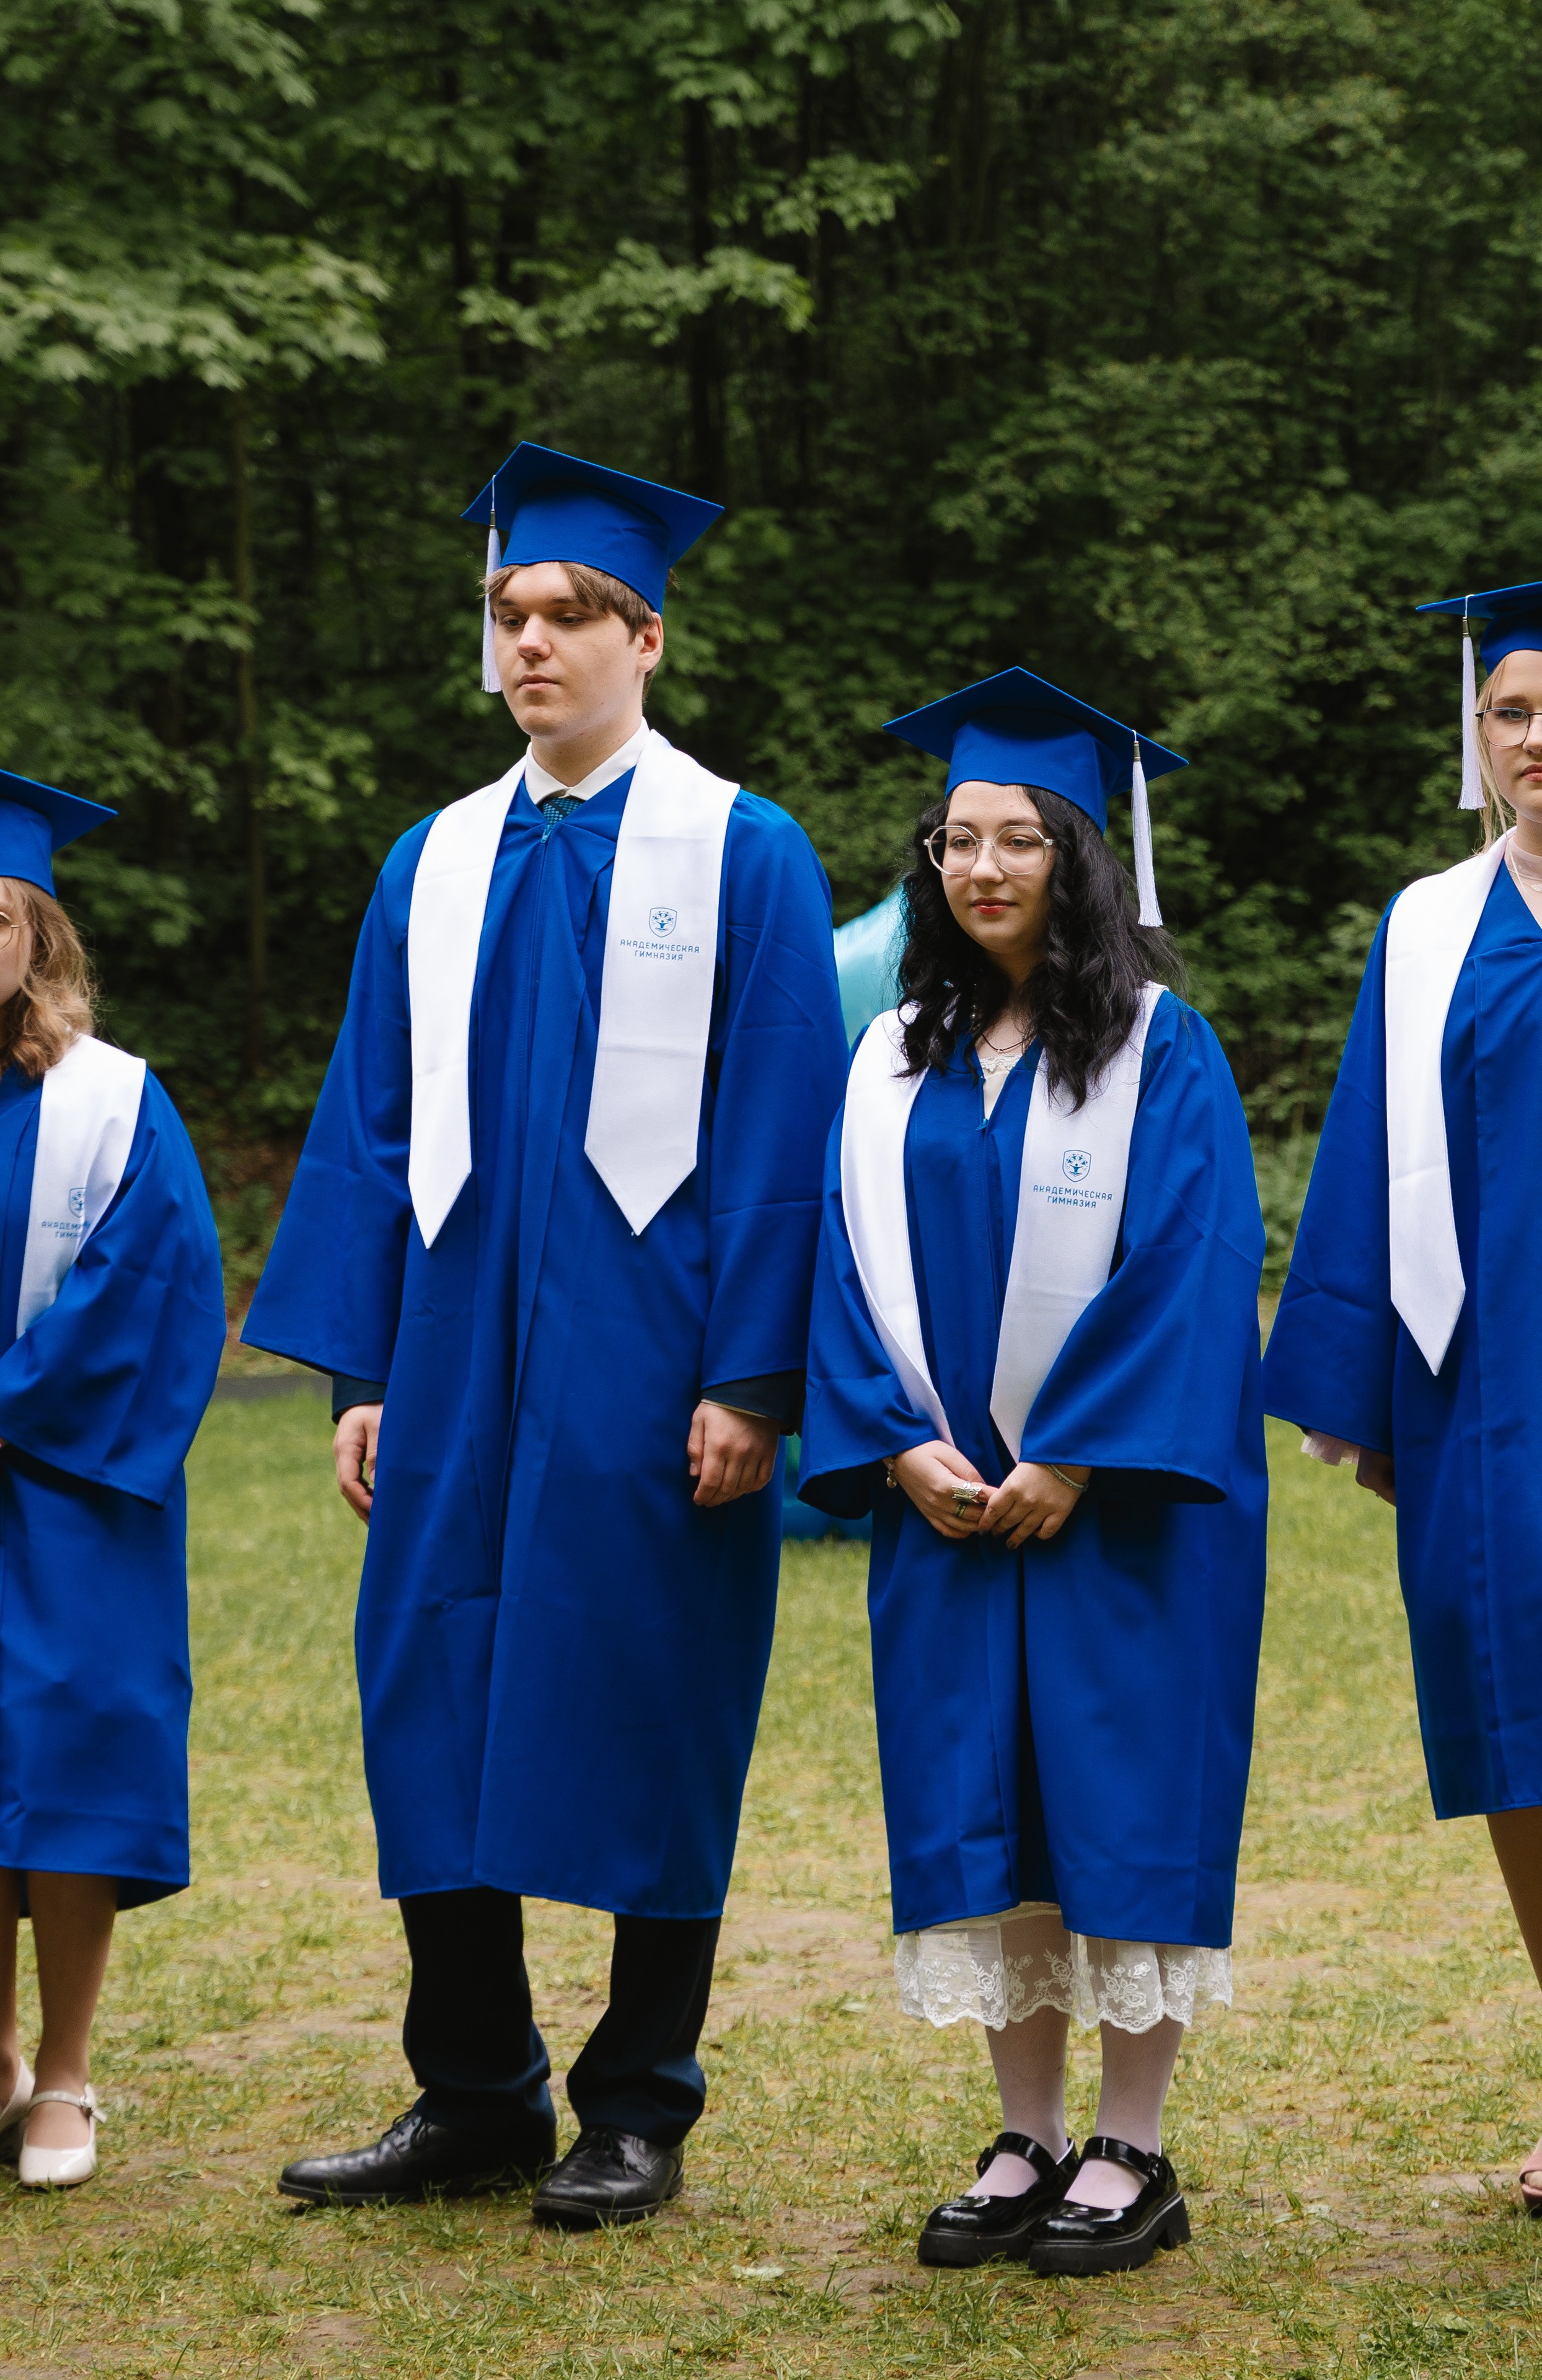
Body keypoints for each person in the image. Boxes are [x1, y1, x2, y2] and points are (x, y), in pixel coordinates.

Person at [242, 443, 848, 2226]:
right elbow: (369, 1122)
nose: (533, 645)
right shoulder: (430, 863)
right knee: (432, 1696)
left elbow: (779, 1128)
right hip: (451, 1356)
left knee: (653, 1695)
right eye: (511, 614)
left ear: (646, 639)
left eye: (572, 615)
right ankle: (476, 2092)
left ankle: (639, 2103)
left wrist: (752, 1376)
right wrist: (362, 1371)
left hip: (650, 1361)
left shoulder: (742, 849)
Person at [798, 670, 1267, 2276]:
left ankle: (1131, 2144)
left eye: (1018, 841)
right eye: (957, 840)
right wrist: (894, 1440)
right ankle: (1023, 2134)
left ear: (1078, 858)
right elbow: (836, 1272)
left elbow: (1196, 1261)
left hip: (1117, 1517)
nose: (983, 869)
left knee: (1116, 1798)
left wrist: (1070, 1451)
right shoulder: (887, 1061)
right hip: (948, 1510)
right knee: (981, 1807)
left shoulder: (1159, 1047)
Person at [1264, 575, 1542, 2221]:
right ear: (1479, 736)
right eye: (1515, 710)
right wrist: (1366, 1393)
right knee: (1520, 1720)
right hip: (1489, 1396)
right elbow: (1372, 1162)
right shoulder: (1428, 924)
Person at [0, 769, 224, 2190]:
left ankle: (66, 2075)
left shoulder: (109, 1101)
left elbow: (159, 1288)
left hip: (70, 1484)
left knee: (73, 1759)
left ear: (37, 931)